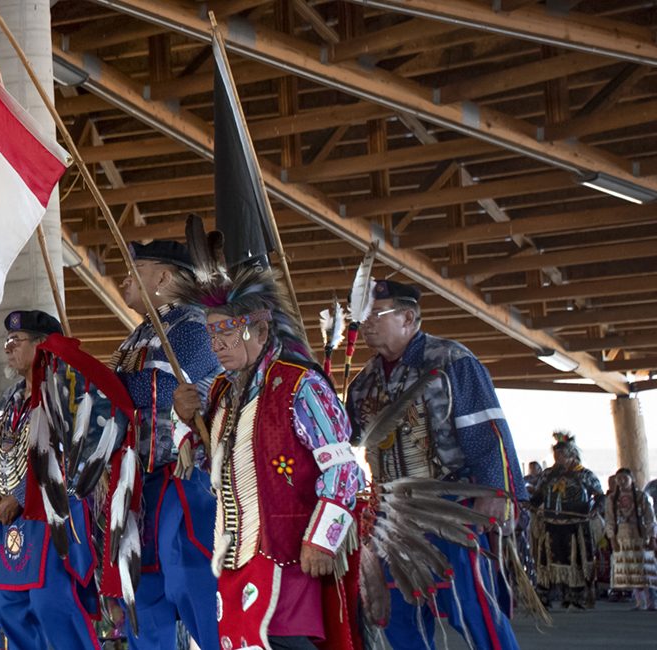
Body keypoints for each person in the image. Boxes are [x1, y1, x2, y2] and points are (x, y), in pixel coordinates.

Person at [171, 266, 366, 650]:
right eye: (211, 335)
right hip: (235, 555)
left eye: (226, 333)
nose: (216, 346)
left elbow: (343, 468)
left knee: (279, 640)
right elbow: (214, 462)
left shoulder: (301, 384)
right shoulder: (225, 393)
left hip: (290, 553)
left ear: (260, 331)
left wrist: (323, 540)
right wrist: (185, 419)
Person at [346, 280, 525, 650]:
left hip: (452, 505)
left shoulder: (451, 361)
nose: (365, 324)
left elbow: (487, 431)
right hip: (391, 514)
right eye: (361, 317)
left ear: (409, 317)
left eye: (375, 315)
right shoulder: (363, 382)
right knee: (398, 611)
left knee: (472, 607)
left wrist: (499, 494)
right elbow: (347, 441)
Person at [0, 310, 133, 650]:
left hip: (54, 513)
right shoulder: (8, 401)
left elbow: (82, 454)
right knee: (9, 608)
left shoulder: (70, 392)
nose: (8, 348)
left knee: (51, 605)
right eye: (7, 341)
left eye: (17, 341)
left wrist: (25, 499)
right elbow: (8, 452)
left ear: (42, 345)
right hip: (11, 519)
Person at [108, 240, 224, 650]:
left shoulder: (194, 326)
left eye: (136, 267)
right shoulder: (138, 335)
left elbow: (163, 385)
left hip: (185, 477)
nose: (125, 276)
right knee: (143, 586)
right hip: (141, 483)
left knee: (189, 580)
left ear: (164, 277)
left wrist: (103, 384)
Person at [529, 432, 603, 610]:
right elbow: (538, 496)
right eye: (555, 456)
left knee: (575, 562)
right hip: (551, 524)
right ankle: (543, 598)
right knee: (546, 562)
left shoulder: (584, 475)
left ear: (571, 456)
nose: (557, 459)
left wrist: (596, 510)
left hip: (576, 526)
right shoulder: (548, 475)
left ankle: (576, 598)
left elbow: (600, 496)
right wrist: (530, 505)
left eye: (560, 455)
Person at [606, 468, 656, 610]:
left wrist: (652, 537)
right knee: (631, 569)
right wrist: (612, 539)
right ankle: (640, 601)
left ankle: (652, 600)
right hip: (621, 535)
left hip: (640, 535)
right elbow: (609, 520)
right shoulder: (612, 498)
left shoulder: (642, 496)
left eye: (624, 478)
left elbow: (649, 519)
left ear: (631, 479)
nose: (621, 481)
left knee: (644, 568)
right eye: (618, 479)